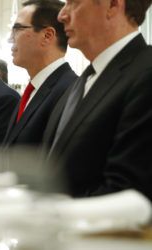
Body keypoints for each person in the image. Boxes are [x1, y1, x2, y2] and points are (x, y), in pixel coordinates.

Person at [43, 0, 152, 200]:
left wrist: (47, 214)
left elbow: (128, 192)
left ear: (112, 5)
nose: (61, 15)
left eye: (73, 3)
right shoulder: (84, 79)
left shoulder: (146, 73)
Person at [2, 0, 77, 148]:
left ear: (47, 36)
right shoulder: (33, 90)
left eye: (17, 29)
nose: (10, 39)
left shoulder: (70, 90)